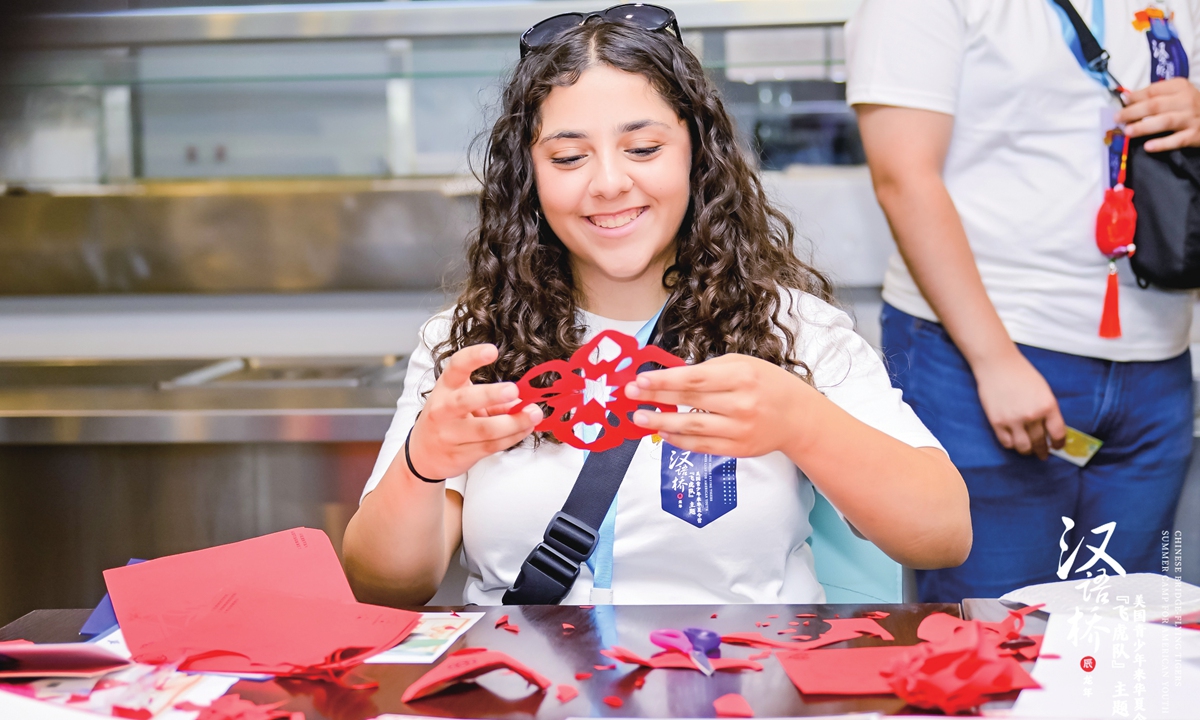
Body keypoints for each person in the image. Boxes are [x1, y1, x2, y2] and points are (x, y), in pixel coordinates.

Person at [342, 6, 970, 607]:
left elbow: (942, 533)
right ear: (529, 175)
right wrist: (424, 461)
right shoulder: (467, 342)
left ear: (698, 154)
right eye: (568, 157)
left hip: (747, 686)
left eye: (643, 149)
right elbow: (384, 586)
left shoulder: (794, 329)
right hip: (527, 687)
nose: (610, 182)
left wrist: (803, 422)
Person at [847, 0, 1199, 602]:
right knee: (994, 641)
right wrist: (995, 361)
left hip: (1156, 356)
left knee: (1132, 639)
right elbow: (903, 177)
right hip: (981, 357)